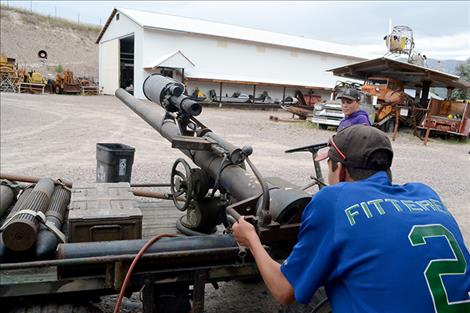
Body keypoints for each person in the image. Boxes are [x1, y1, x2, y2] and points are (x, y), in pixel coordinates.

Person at [232, 125, 470, 312]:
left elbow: (284, 291)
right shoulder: (425, 193)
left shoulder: (333, 199)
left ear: (341, 170)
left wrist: (251, 239)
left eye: (329, 166)